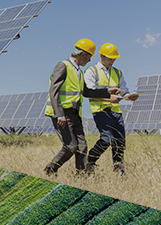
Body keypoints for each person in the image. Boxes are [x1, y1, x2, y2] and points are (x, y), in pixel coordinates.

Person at [44, 39, 121, 175]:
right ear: (83, 55)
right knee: (71, 146)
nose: (90, 60)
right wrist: (59, 114)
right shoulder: (63, 66)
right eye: (90, 56)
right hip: (62, 113)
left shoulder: (79, 72)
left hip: (75, 114)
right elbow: (53, 91)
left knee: (82, 146)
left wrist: (108, 91)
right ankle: (50, 169)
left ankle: (82, 176)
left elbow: (87, 92)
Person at [84, 43, 139, 175]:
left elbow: (124, 89)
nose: (112, 61)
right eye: (110, 58)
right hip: (101, 110)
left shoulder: (117, 72)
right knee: (106, 139)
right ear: (101, 56)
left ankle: (119, 170)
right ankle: (89, 162)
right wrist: (109, 99)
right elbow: (90, 93)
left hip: (116, 111)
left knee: (120, 141)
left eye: (114, 59)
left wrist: (128, 96)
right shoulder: (92, 71)